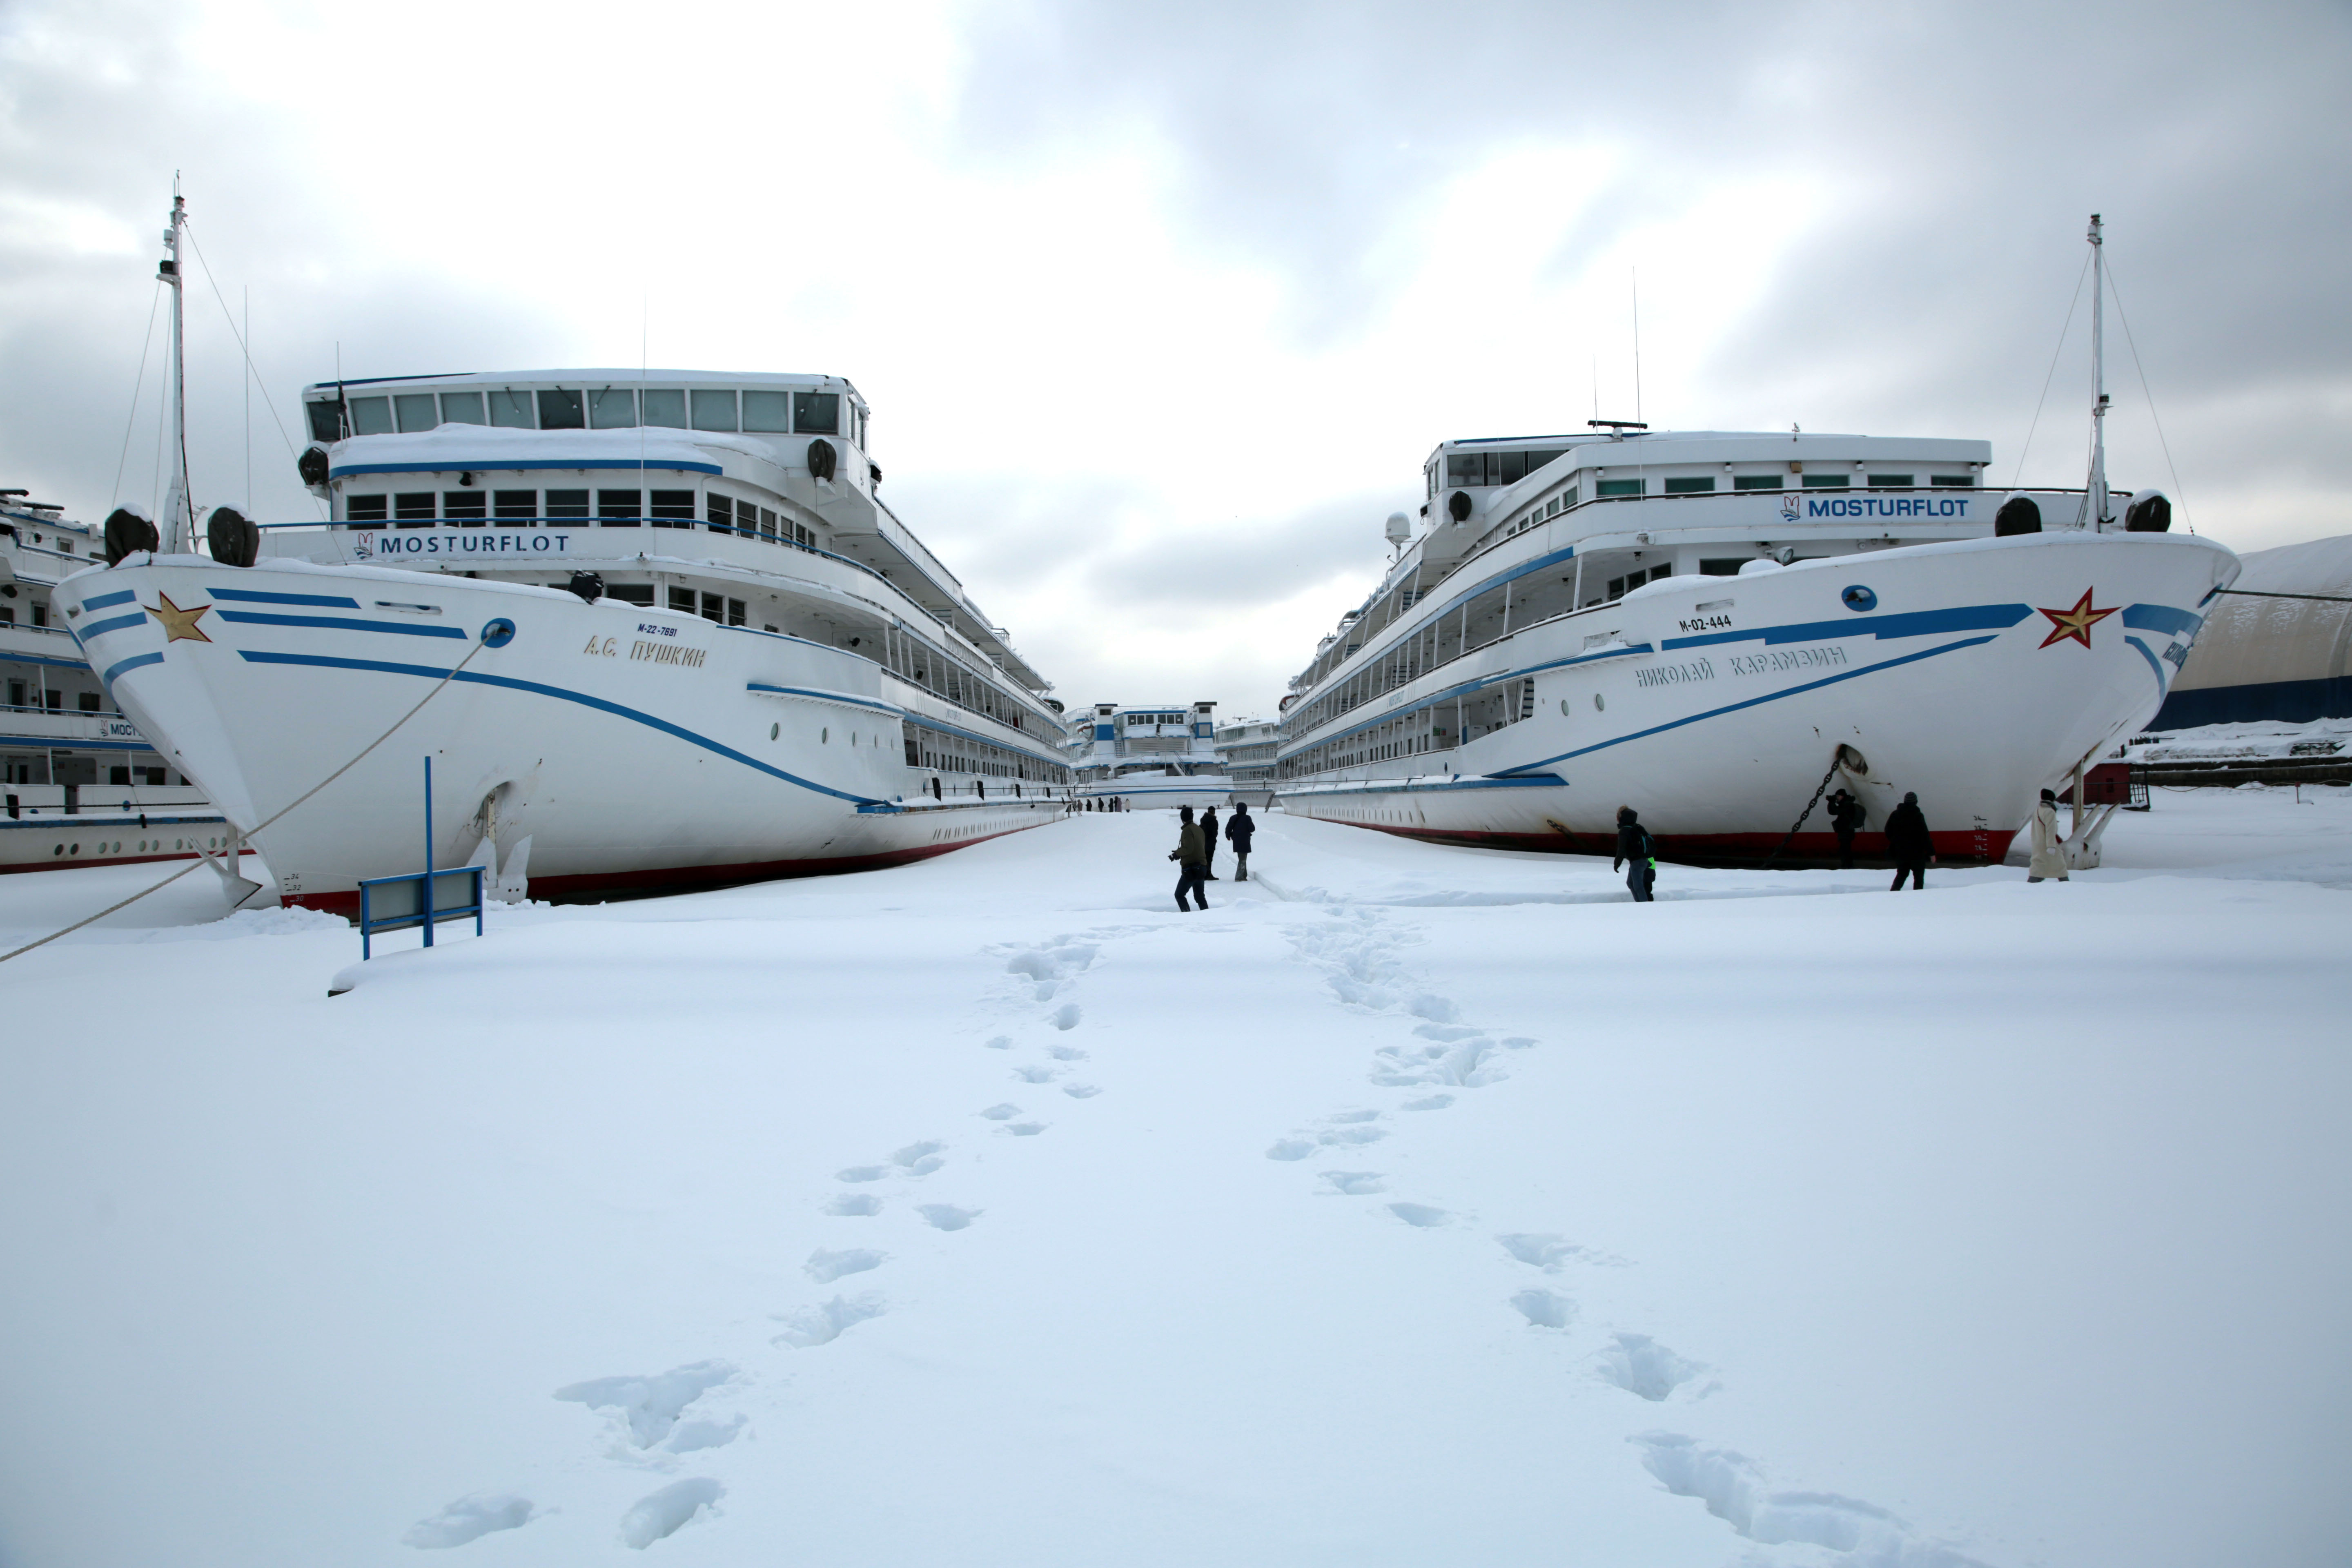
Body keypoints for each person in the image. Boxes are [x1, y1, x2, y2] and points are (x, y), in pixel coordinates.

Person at [1884, 790, 1932, 890]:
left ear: (1905, 801)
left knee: (1902, 875)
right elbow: (1925, 836)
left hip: (1901, 851)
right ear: (1916, 802)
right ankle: (1918, 896)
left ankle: (1893, 894)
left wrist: (1896, 841)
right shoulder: (1918, 815)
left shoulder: (1895, 814)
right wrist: (1932, 852)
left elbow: (1888, 830)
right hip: (1917, 852)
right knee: (1919, 877)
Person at [1611, 805, 1656, 903]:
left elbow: (1621, 850)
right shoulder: (1638, 827)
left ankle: (1643, 906)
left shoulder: (1624, 831)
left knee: (1638, 886)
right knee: (1630, 883)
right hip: (1643, 860)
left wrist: (1617, 864)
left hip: (1637, 862)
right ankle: (1639, 903)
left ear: (1622, 818)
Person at [1169, 805, 1209, 911]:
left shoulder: (1187, 830)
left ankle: (1187, 917)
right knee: (1200, 897)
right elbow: (1197, 847)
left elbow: (1189, 849)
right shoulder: (1199, 829)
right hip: (1202, 866)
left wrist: (1177, 854)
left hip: (1191, 868)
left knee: (1179, 895)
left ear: (1182, 819)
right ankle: (1209, 917)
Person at [2027, 787, 2071, 883]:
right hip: (2048, 844)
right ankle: (2066, 884)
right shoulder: (2050, 811)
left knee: (2038, 865)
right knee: (2060, 866)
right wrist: (2051, 846)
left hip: (2038, 842)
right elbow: (2050, 831)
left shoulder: (2038, 810)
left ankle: (2032, 883)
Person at [1826, 786, 1864, 870]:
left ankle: (1847, 866)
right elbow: (1832, 812)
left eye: (1838, 796)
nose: (1837, 798)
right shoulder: (1846, 804)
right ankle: (1847, 865)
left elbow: (1837, 811)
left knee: (1845, 850)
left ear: (1842, 796)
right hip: (1846, 831)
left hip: (1847, 831)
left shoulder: (1847, 804)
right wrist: (1831, 802)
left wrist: (1832, 802)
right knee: (1845, 849)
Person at [1226, 800, 1256, 881]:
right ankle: (1239, 877)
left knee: (1242, 857)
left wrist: (1228, 836)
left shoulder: (1233, 818)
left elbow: (1228, 828)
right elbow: (1252, 829)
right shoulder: (1247, 818)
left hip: (1236, 840)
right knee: (1243, 859)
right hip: (1245, 841)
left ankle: (1244, 875)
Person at [1200, 805, 1221, 879]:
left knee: (1204, 859)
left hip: (1203, 843)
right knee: (1209, 859)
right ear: (1214, 812)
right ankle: (1208, 875)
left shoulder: (1203, 820)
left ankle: (1204, 874)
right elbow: (1215, 833)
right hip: (1211, 843)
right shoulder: (1214, 821)